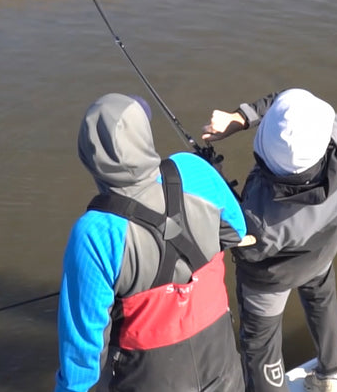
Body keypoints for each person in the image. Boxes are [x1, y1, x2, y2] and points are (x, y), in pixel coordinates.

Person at [55, 93, 250, 392]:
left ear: (88, 157)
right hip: (221, 367)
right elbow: (235, 231)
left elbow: (84, 354)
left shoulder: (93, 233)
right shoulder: (193, 169)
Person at [202, 88, 337, 392]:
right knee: (321, 296)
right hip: (322, 249)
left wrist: (212, 177)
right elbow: (290, 103)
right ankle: (332, 370)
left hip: (272, 277)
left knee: (261, 345)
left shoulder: (261, 218)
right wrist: (241, 117)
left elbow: (241, 243)